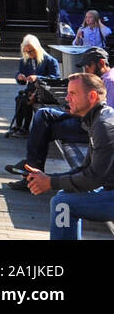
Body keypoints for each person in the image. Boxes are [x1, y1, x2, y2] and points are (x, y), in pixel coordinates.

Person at [22, 73, 114, 240]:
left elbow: (94, 178)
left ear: (92, 96)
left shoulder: (103, 125)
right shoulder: (98, 119)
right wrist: (48, 178)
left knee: (63, 204)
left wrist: (50, 182)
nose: (67, 98)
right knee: (63, 197)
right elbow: (86, 168)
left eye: (73, 93)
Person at [7, 48, 112, 188]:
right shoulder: (103, 78)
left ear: (101, 63)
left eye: (88, 66)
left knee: (46, 128)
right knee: (43, 114)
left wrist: (77, 111)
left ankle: (31, 171)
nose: (86, 70)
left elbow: (105, 113)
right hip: (85, 118)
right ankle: (31, 170)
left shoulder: (109, 81)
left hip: (91, 126)